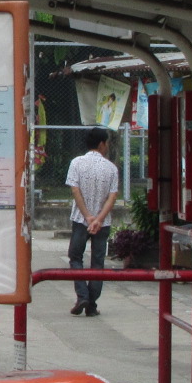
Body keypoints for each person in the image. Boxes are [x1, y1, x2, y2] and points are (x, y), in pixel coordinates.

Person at [66, 127, 119, 317]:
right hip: (103, 222)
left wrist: (87, 216)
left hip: (81, 220)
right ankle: (92, 304)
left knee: (75, 257)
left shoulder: (76, 163)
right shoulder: (111, 168)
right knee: (98, 261)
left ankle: (82, 295)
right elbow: (112, 198)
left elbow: (75, 190)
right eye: (107, 143)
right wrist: (98, 219)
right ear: (101, 143)